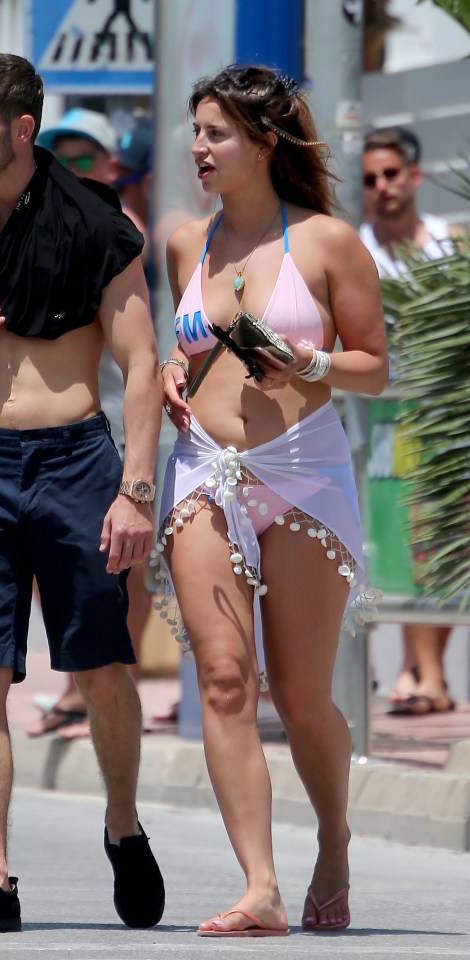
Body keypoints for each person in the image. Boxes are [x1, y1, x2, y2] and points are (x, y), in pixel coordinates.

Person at [0, 53, 164, 934]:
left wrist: (134, 489)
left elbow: (141, 365)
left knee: (99, 668)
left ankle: (123, 828)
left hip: (75, 465)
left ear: (21, 129)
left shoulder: (100, 225)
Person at [156, 64, 388, 936]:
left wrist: (313, 363)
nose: (198, 148)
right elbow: (170, 349)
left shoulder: (327, 241)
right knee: (223, 679)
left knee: (299, 694)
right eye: (196, 131)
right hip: (203, 466)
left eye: (216, 133)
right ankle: (261, 886)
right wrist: (178, 371)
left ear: (263, 143)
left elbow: (375, 362)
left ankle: (332, 836)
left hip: (302, 468)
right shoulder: (187, 241)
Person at [26, 108, 155, 740]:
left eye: (84, 159)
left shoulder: (123, 227)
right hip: (86, 423)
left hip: (129, 422)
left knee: (126, 562)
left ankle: (100, 685)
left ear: (112, 165)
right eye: (61, 158)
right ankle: (87, 684)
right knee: (93, 562)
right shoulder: (59, 222)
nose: (68, 170)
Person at [360, 126, 461, 716]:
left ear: (414, 177)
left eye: (392, 174)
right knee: (392, 540)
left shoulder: (452, 244)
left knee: (434, 539)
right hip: (378, 418)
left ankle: (426, 673)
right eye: (371, 178)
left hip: (444, 415)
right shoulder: (358, 249)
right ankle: (420, 673)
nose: (382, 187)